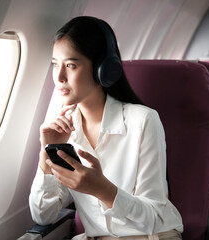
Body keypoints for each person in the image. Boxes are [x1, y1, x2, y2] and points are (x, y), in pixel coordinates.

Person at [29, 16, 183, 240]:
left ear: (104, 68)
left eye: (71, 65)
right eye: (55, 64)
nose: (59, 77)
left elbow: (154, 219)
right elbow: (43, 217)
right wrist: (47, 156)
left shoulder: (144, 121)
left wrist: (103, 190)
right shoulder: (63, 130)